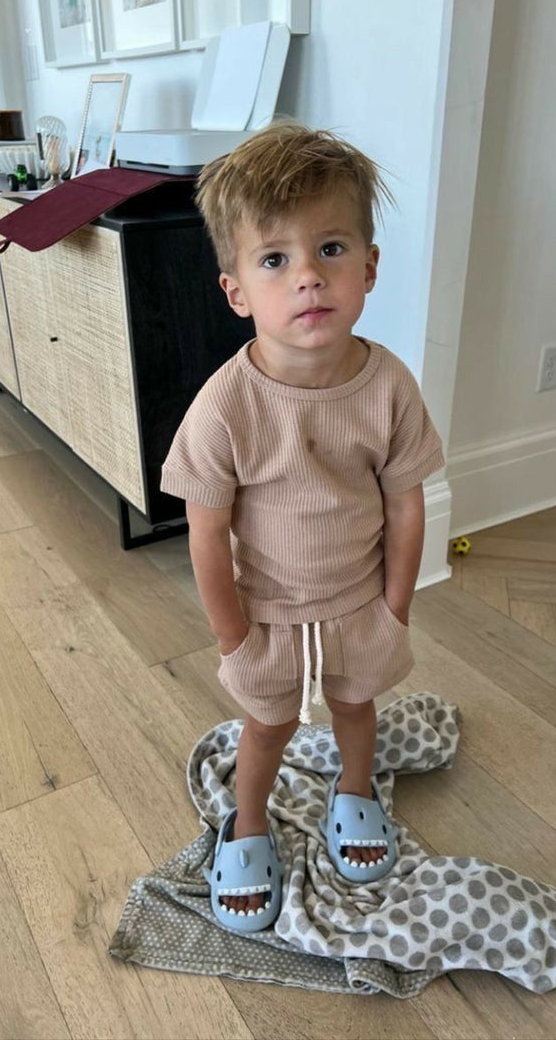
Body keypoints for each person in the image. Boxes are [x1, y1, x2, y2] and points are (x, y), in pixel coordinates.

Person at [161, 120, 445, 932]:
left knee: (357, 706)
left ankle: (354, 791)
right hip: (268, 614)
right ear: (237, 291)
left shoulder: (389, 385)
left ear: (369, 267)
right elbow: (206, 533)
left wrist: (395, 608)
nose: (309, 277)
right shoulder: (226, 405)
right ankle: (248, 822)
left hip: (360, 601)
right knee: (269, 723)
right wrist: (233, 637)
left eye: (330, 249)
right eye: (275, 259)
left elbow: (406, 501)